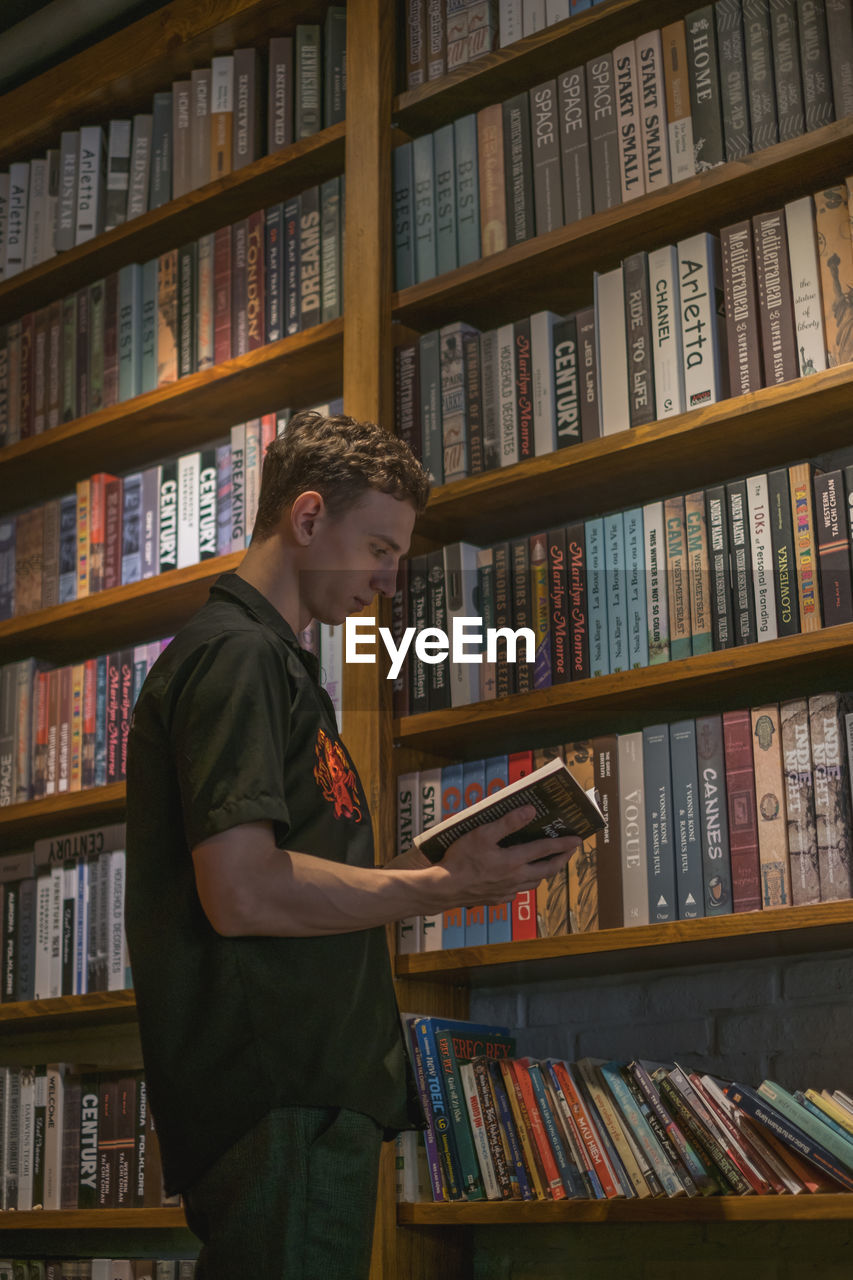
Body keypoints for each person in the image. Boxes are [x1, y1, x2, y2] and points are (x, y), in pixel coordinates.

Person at [125, 412, 577, 1280]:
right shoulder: (237, 657)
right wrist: (440, 891)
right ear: (305, 518)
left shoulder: (281, 668)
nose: (388, 578)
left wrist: (445, 864)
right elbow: (244, 892)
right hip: (279, 1091)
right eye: (377, 547)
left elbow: (305, 879)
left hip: (307, 1096)